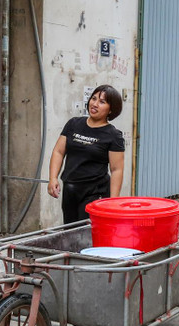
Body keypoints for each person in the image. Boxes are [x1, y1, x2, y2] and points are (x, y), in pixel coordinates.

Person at [47, 85, 125, 223]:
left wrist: (113, 202)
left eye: (102, 102)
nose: (95, 104)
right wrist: (53, 178)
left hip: (95, 192)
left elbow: (116, 170)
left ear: (111, 109)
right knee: (70, 232)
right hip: (70, 189)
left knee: (86, 233)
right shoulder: (73, 124)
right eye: (94, 99)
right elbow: (59, 152)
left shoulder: (113, 135)